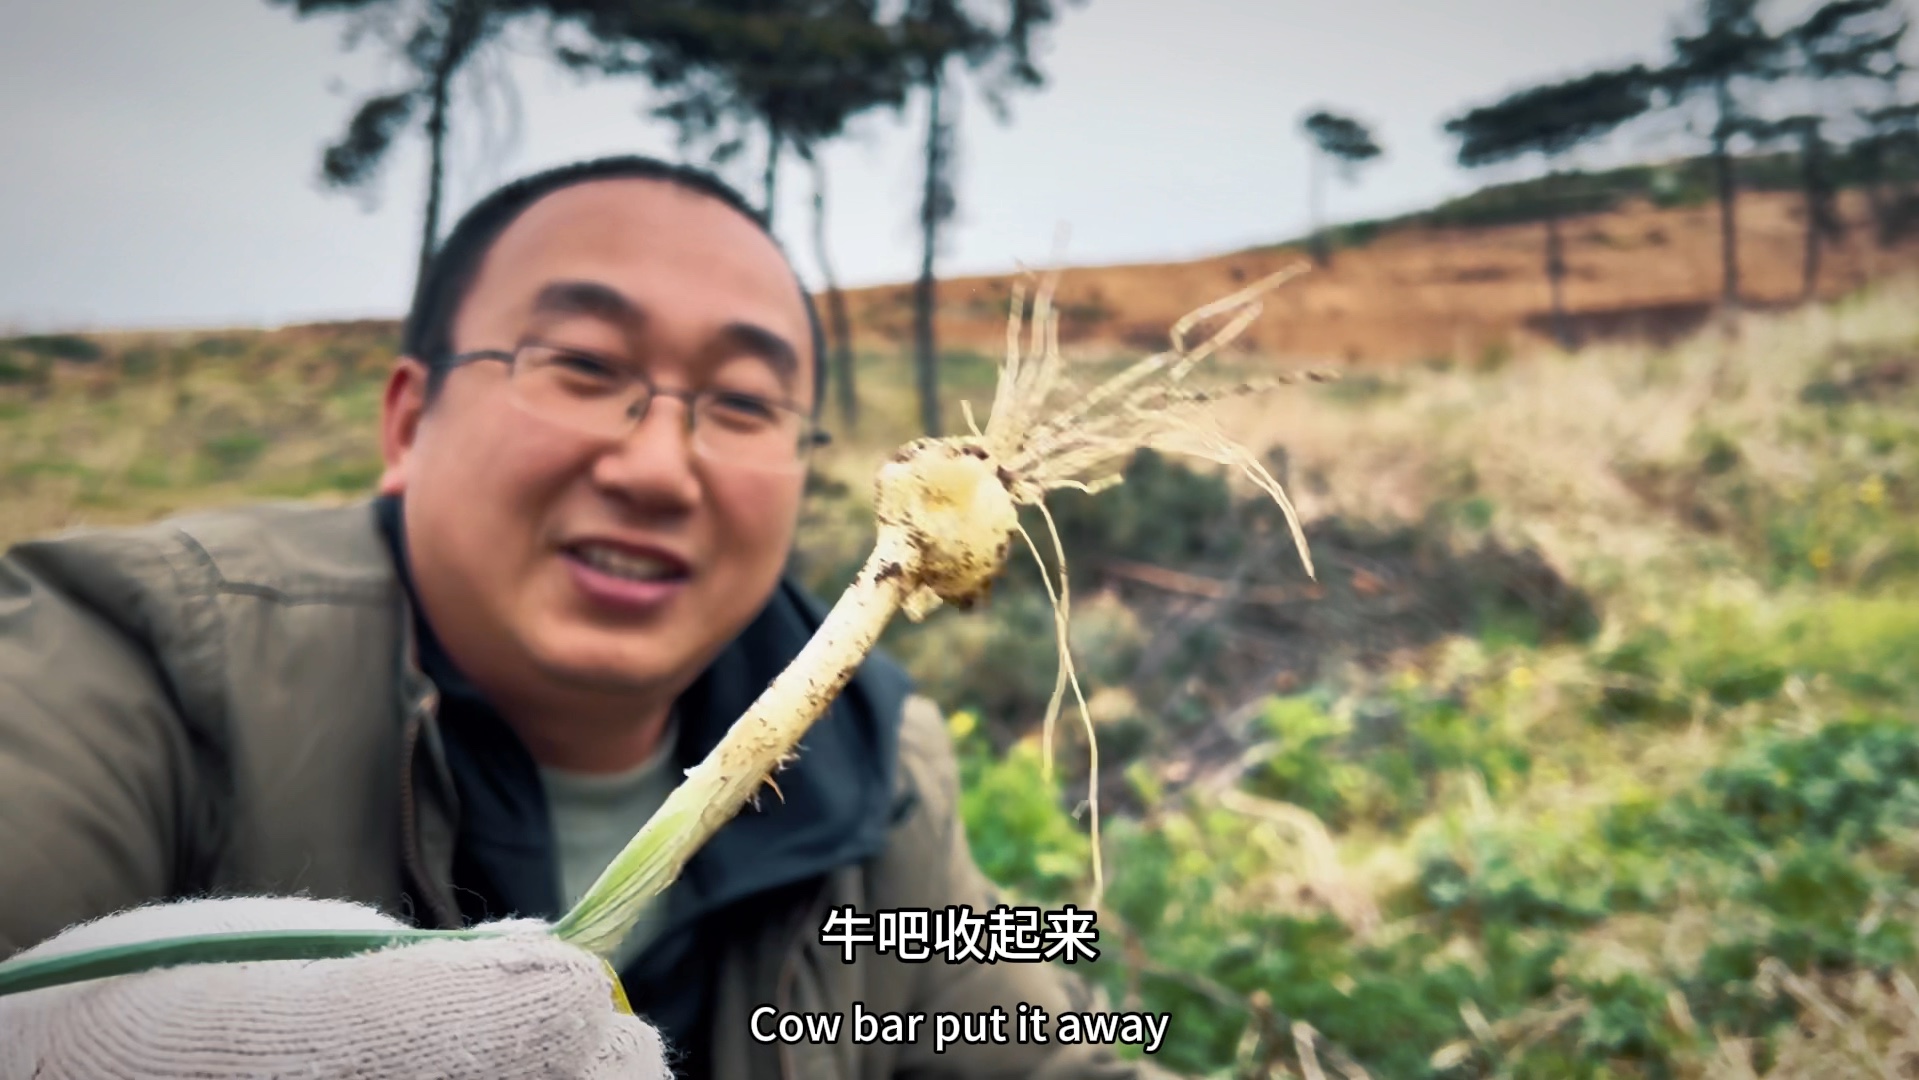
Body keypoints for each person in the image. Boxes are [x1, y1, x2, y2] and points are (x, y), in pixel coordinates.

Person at [0, 156, 1164, 1079]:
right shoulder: (127, 658)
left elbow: (1019, 1017)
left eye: (746, 402)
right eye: (581, 363)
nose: (660, 467)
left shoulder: (880, 761)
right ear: (409, 421)